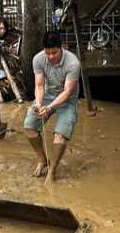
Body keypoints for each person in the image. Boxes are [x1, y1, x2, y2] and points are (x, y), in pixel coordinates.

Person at [24, 30, 81, 183]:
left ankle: (53, 169)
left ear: (61, 48)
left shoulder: (73, 63)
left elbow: (67, 92)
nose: (50, 57)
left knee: (59, 137)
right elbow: (40, 85)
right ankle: (43, 160)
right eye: (47, 53)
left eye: (54, 53)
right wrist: (38, 103)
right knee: (29, 127)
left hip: (67, 100)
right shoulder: (38, 59)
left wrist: (49, 108)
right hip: (47, 95)